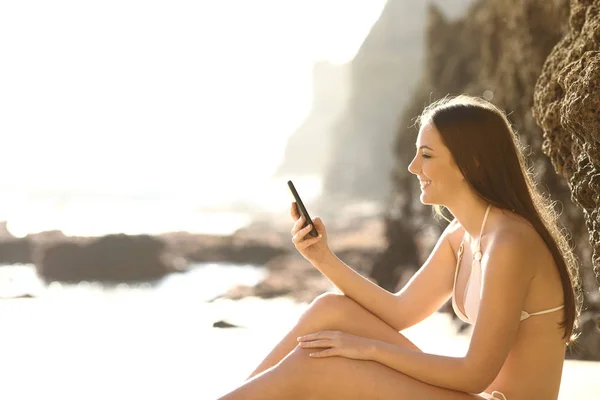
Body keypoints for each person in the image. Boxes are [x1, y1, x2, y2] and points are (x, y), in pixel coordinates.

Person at [216, 95, 581, 400]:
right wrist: (322, 258)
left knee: (319, 365)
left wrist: (369, 350)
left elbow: (474, 375)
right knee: (329, 309)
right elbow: (399, 312)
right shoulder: (462, 236)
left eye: (427, 155)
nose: (412, 166)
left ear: (471, 163)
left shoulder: (510, 242)